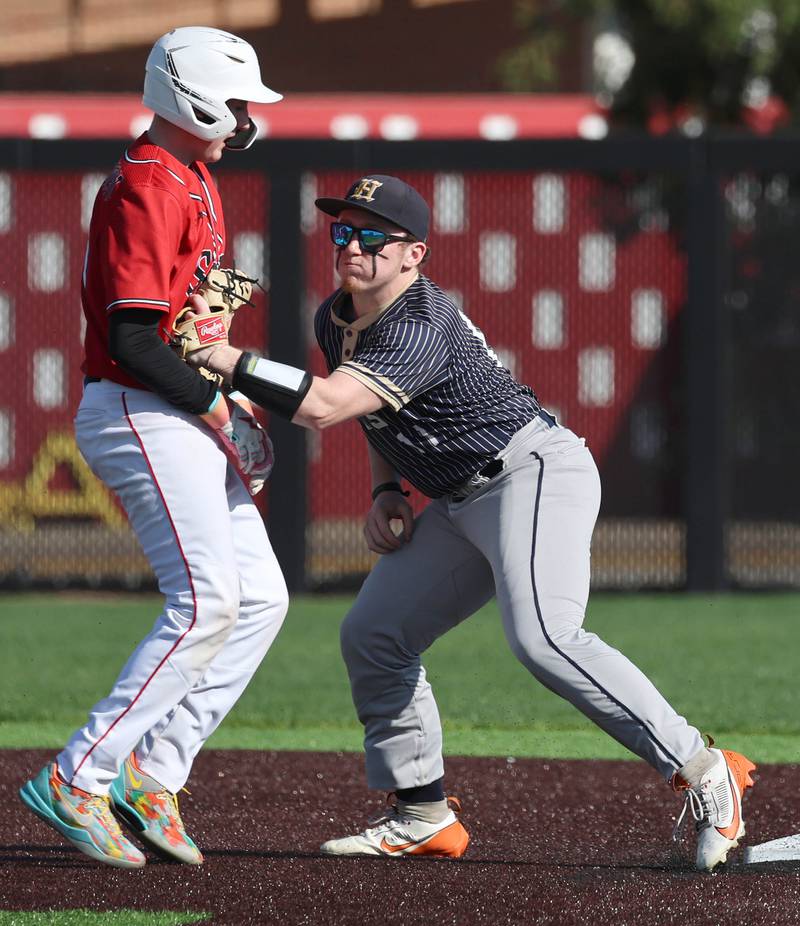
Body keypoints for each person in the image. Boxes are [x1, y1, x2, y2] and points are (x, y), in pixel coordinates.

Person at [183, 173, 756, 871]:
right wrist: (387, 487)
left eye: (371, 235)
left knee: (545, 636)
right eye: (342, 230)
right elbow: (363, 409)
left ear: (414, 254)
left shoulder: (420, 322)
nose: (352, 245)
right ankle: (421, 813)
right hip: (456, 499)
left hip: (530, 472)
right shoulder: (335, 316)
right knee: (375, 633)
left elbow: (326, 406)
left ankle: (704, 771)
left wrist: (221, 357)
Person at [18, 27, 289, 869]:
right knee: (207, 599)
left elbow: (183, 327)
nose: (246, 117)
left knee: (262, 598)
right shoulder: (149, 181)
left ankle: (150, 773)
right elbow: (135, 339)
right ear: (195, 96)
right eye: (237, 101)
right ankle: (79, 775)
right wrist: (217, 408)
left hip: (172, 406)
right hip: (140, 408)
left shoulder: (193, 176)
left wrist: (226, 394)